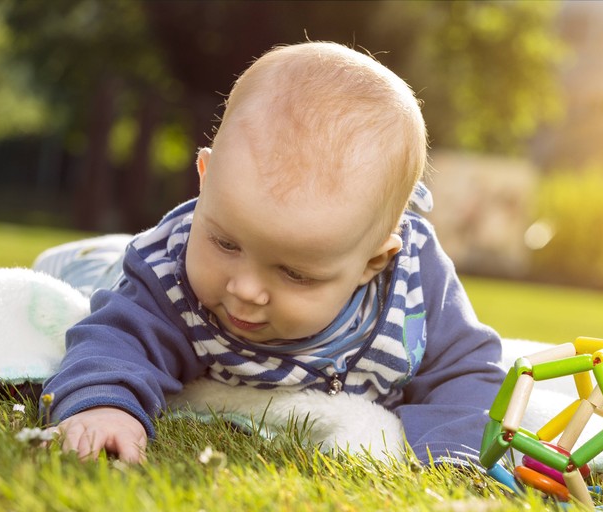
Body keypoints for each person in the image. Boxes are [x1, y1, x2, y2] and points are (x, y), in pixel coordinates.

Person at [36, 41, 505, 465]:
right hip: (100, 267)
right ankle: (92, 257)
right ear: (205, 176)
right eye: (224, 243)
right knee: (96, 274)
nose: (245, 289)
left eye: (295, 274)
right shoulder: (170, 271)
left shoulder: (413, 283)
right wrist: (105, 405)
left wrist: (456, 458)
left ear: (373, 262)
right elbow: (118, 339)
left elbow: (465, 373)